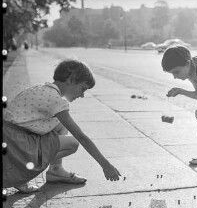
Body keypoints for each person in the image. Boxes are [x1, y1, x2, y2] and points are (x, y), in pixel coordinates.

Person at [3, 59, 121, 193]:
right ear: (70, 79)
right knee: (73, 143)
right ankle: (22, 174)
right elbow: (82, 137)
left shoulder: (41, 89)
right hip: (17, 146)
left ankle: (56, 171)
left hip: (10, 140)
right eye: (83, 88)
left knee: (60, 125)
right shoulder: (56, 100)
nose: (82, 95)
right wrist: (106, 165)